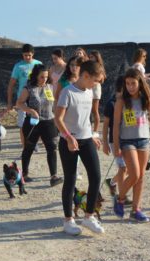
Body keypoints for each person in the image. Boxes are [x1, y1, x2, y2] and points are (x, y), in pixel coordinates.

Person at [55, 60, 105, 235]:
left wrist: (92, 135)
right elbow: (58, 119)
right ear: (85, 75)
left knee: (96, 176)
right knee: (70, 180)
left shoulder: (89, 92)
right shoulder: (67, 92)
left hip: (86, 140)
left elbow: (85, 119)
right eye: (95, 80)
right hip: (69, 141)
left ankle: (88, 217)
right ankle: (68, 220)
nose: (96, 84)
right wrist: (68, 137)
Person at [112, 68, 150, 223]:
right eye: (127, 83)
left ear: (140, 83)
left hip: (144, 140)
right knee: (134, 174)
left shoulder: (147, 99)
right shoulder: (121, 101)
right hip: (127, 142)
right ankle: (119, 198)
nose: (130, 86)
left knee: (141, 178)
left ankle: (136, 210)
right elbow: (116, 125)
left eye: (133, 83)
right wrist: (116, 145)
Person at [16, 64, 63, 186]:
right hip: (33, 122)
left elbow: (55, 103)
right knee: (29, 148)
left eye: (46, 77)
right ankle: (24, 174)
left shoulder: (50, 87)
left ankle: (54, 176)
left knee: (52, 147)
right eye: (42, 77)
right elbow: (19, 103)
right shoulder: (28, 88)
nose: (44, 79)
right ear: (36, 76)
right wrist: (31, 111)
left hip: (49, 121)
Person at [102, 76, 132, 204]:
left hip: (129, 140)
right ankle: (122, 196)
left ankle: (112, 182)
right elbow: (105, 125)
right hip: (115, 142)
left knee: (130, 169)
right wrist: (105, 143)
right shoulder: (111, 103)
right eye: (128, 86)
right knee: (123, 168)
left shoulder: (130, 102)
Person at [6, 44, 42, 147]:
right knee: (23, 124)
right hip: (22, 100)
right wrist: (9, 102)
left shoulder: (38, 64)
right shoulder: (18, 66)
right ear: (22, 54)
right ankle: (25, 146)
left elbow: (45, 81)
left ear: (33, 54)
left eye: (29, 55)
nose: (27, 57)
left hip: (37, 98)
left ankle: (35, 143)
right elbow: (11, 85)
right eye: (25, 55)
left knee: (37, 122)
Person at [88, 50, 107, 134]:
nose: (90, 58)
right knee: (87, 109)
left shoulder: (99, 66)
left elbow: (101, 79)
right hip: (88, 88)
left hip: (95, 89)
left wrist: (91, 82)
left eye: (92, 56)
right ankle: (88, 129)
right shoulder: (89, 65)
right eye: (90, 56)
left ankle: (95, 131)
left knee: (94, 110)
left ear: (96, 57)